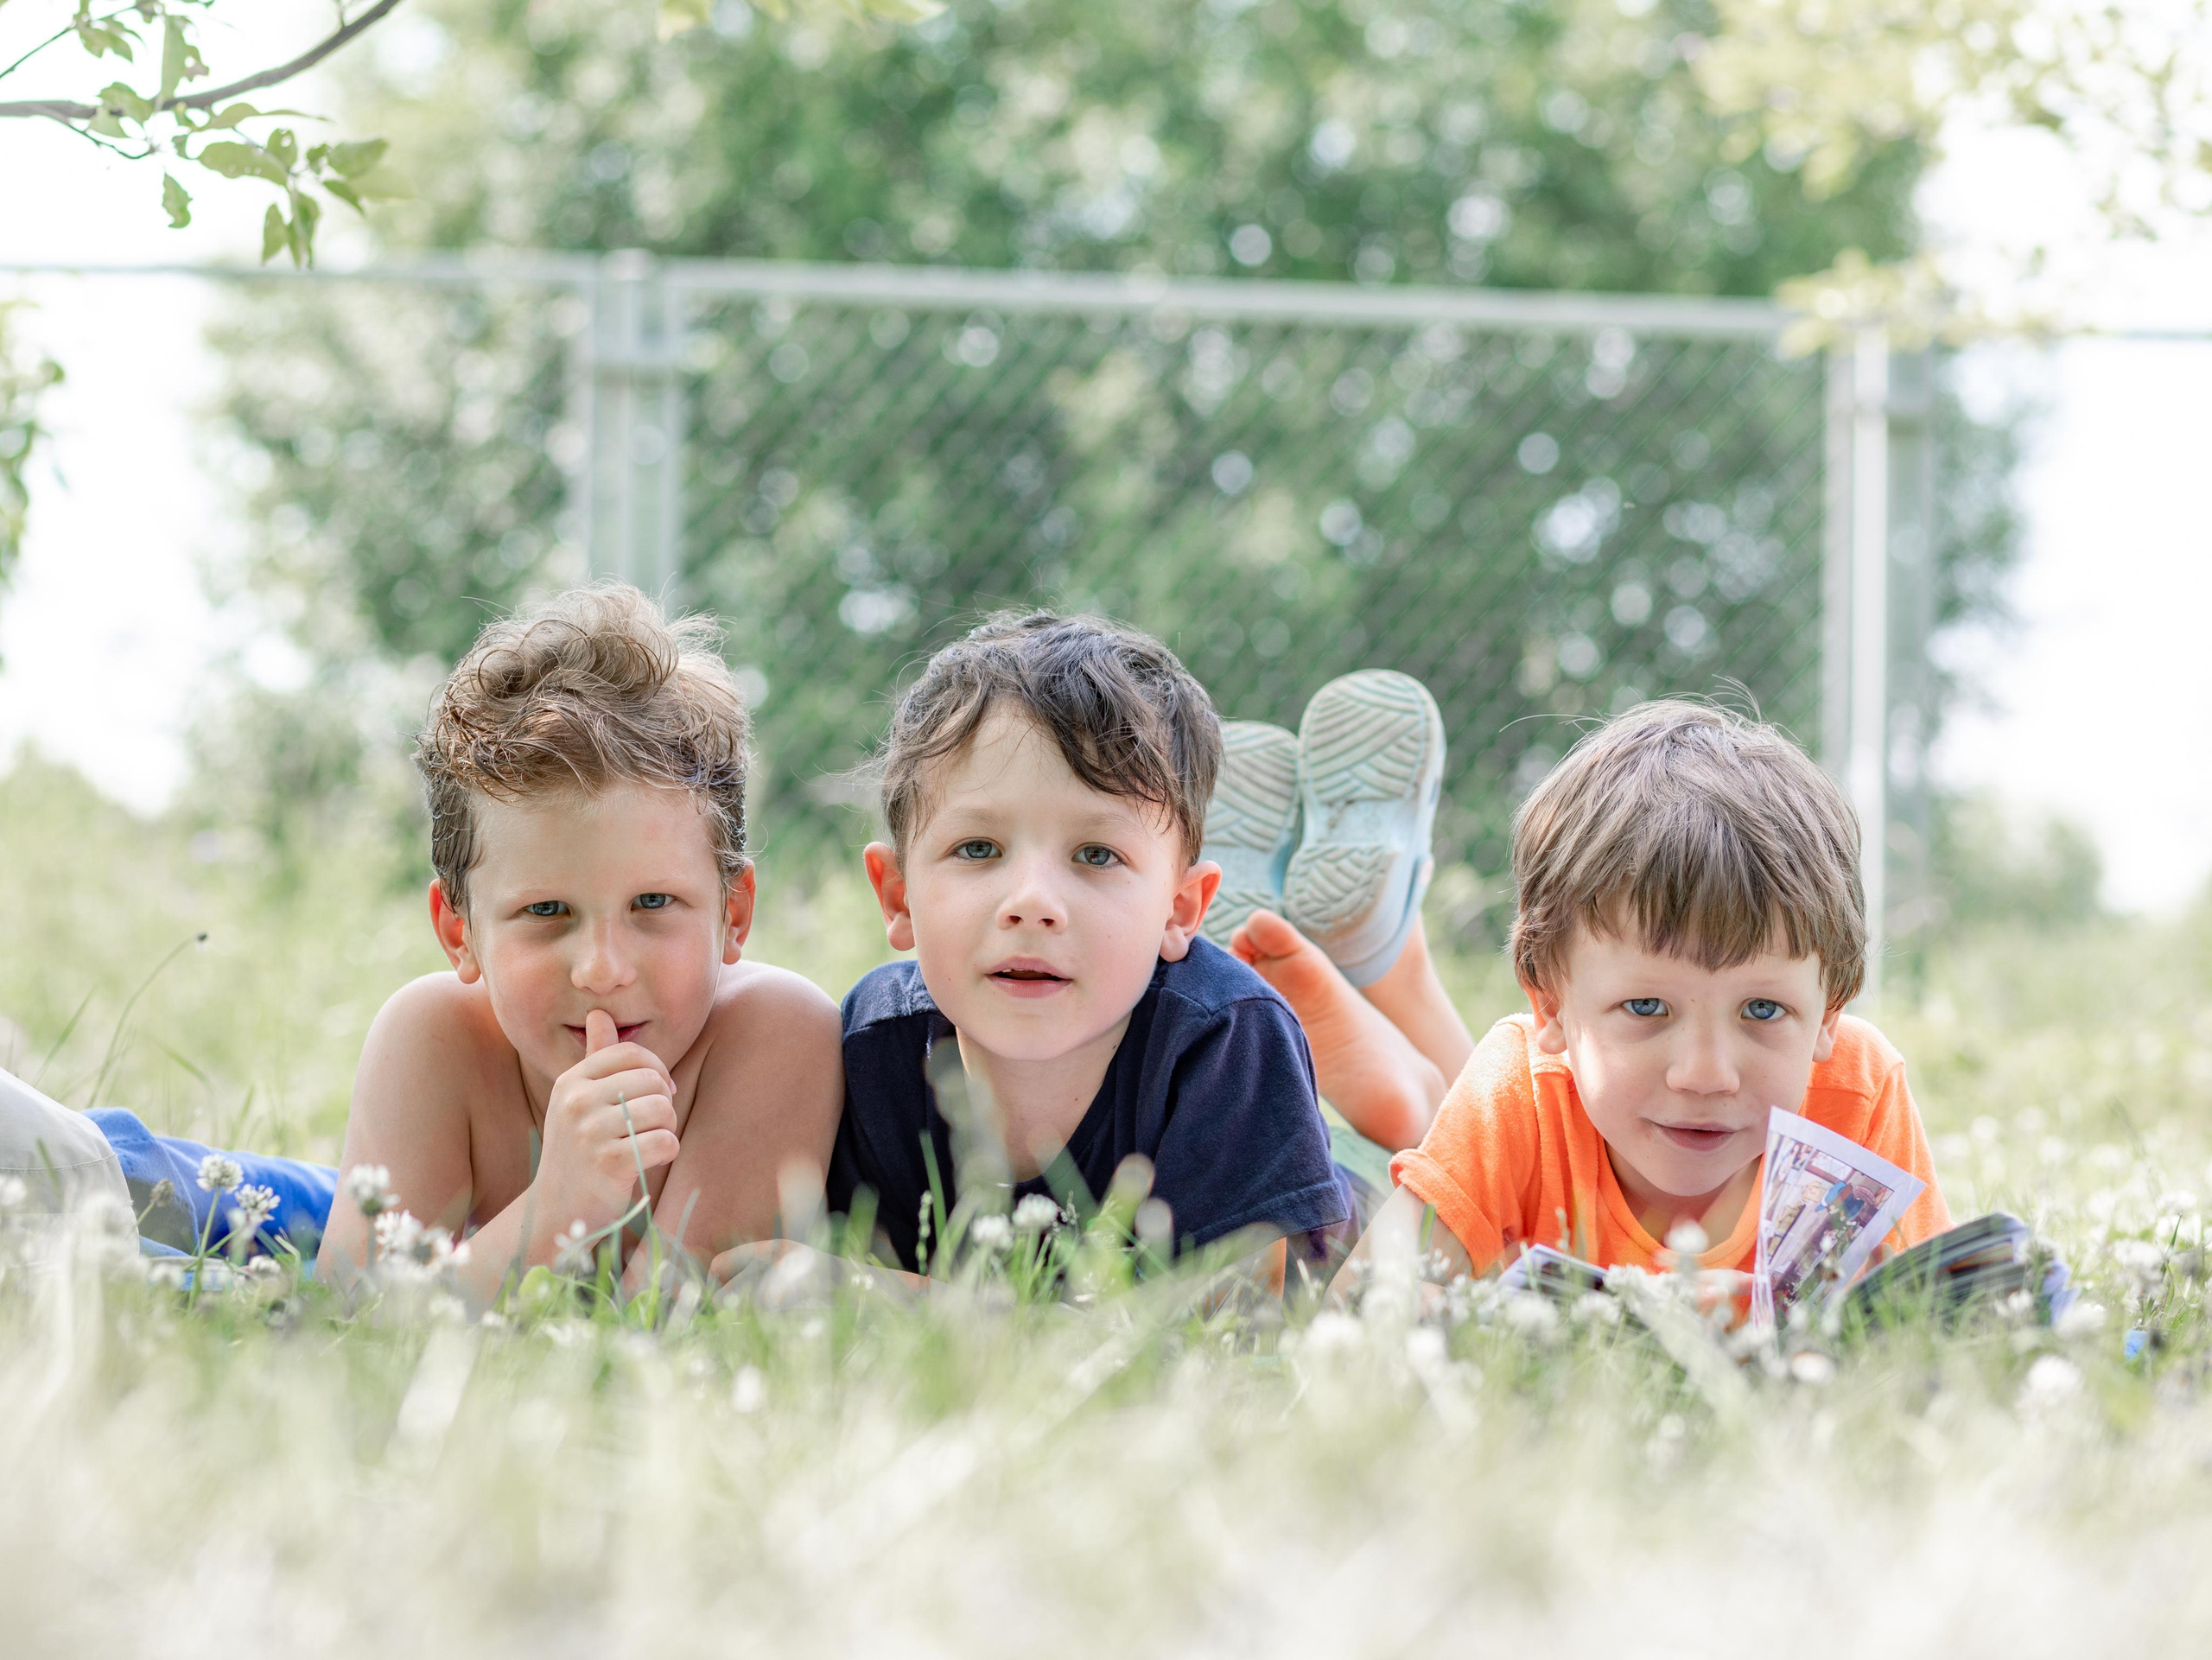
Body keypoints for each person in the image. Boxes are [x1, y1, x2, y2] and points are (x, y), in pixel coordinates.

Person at [1259, 698, 1951, 1285]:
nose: (1705, 1073)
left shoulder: (1855, 1092)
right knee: (1324, 1213)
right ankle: (1389, 1020)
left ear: (1830, 1012)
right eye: (1648, 1007)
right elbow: (1370, 1309)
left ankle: (1401, 1018)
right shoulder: (1519, 1085)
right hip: (1444, 1159)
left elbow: (1941, 1327)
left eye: (1763, 1009)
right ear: (1551, 1007)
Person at [316, 583, 843, 1301]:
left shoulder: (777, 1033)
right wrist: (552, 1209)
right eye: (546, 910)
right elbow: (344, 1325)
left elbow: (666, 1320)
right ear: (458, 930)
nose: (602, 970)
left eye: (653, 902)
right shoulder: (432, 1039)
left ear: (734, 913)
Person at [817, 610, 1349, 1288]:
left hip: (1335, 1196)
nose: (1033, 900)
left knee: (1417, 1158)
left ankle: (1387, 1020)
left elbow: (1228, 1335)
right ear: (897, 897)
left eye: (1096, 854)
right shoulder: (873, 1047)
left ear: (1180, 910)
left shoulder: (1229, 1040)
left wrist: (900, 1301)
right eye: (978, 848)